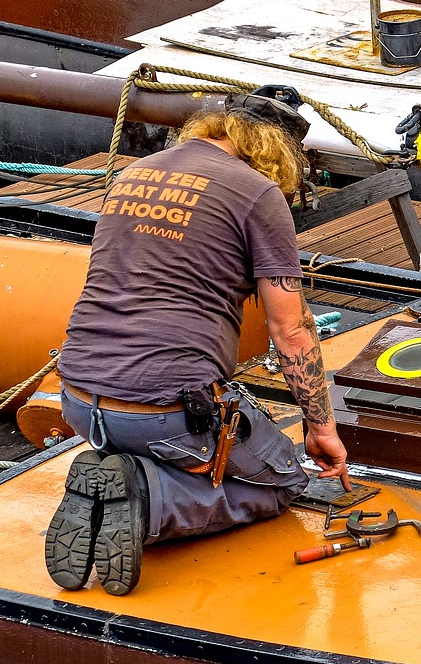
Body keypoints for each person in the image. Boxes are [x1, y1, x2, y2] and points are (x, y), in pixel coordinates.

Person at [45, 85, 351, 596]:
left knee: (173, 441)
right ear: (278, 153)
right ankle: (144, 494)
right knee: (281, 479)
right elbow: (291, 330)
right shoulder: (258, 192)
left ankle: (114, 478)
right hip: (167, 413)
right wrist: (320, 429)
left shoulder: (132, 174)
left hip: (78, 401)